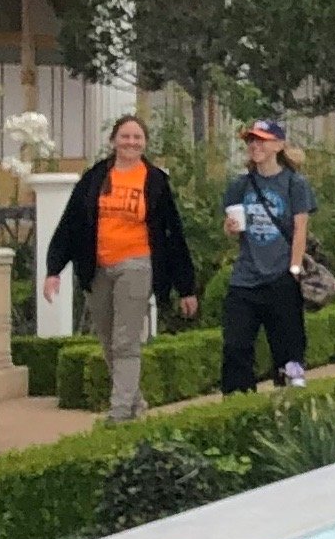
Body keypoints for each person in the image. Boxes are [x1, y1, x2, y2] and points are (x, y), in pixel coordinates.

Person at [42, 113, 197, 423]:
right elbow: (71, 224)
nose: (131, 142)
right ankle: (135, 402)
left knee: (126, 340)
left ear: (145, 143)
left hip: (136, 264)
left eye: (137, 137)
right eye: (125, 136)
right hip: (97, 266)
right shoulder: (94, 178)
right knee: (108, 340)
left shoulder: (154, 181)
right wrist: (54, 270)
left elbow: (173, 234)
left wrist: (186, 287)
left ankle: (119, 412)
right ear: (113, 141)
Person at [219, 119, 314, 393]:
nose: (255, 146)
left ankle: (291, 396)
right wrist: (229, 228)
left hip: (281, 277)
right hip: (245, 278)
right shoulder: (240, 184)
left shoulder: (294, 183)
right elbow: (231, 227)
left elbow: (300, 229)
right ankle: (238, 404)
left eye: (261, 140)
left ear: (278, 145)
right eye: (251, 140)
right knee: (236, 346)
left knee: (288, 349)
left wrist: (294, 269)